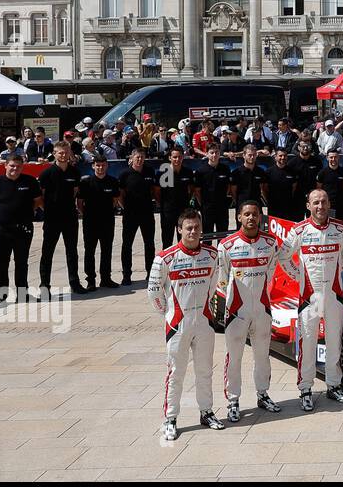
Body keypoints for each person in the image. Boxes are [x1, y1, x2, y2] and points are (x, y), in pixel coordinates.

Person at [149, 208, 225, 439]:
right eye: (188, 228)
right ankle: (170, 418)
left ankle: (207, 412)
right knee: (176, 373)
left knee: (204, 371)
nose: (193, 232)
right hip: (177, 325)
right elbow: (153, 292)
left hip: (203, 322)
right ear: (179, 229)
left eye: (197, 228)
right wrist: (169, 315)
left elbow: (214, 285)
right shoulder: (165, 258)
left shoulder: (212, 256)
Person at [216, 201, 292, 421]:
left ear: (260, 217)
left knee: (262, 356)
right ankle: (233, 400)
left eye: (255, 214)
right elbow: (221, 280)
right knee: (234, 358)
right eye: (246, 214)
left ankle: (263, 394)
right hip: (236, 313)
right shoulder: (226, 245)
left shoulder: (270, 243)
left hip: (262, 310)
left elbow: (272, 270)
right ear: (239, 216)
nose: (251, 218)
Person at [283, 189, 343, 409]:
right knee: (308, 340)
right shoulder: (299, 230)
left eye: (323, 202)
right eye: (316, 203)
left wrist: (333, 277)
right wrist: (299, 276)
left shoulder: (340, 228)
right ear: (308, 206)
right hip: (310, 298)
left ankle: (333, 386)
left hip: (334, 295)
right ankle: (305, 388)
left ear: (329, 203)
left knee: (334, 341)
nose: (320, 207)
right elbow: (283, 257)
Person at [0, 155, 42, 306]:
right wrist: (2, 217)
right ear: (5, 166)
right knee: (1, 263)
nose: (14, 169)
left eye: (18, 166)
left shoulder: (29, 182)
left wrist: (24, 215)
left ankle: (22, 295)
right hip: (1, 229)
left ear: (22, 167)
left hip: (23, 229)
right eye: (12, 165)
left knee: (22, 262)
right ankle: (1, 297)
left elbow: (37, 201)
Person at [38, 141, 83, 296]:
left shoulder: (75, 172)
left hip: (70, 217)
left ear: (70, 152)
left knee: (72, 252)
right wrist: (50, 211)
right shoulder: (47, 173)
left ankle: (75, 283)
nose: (63, 155)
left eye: (66, 152)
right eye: (60, 152)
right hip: (52, 219)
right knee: (47, 253)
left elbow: (75, 192)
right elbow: (40, 197)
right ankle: (44, 286)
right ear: (54, 153)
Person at [78, 156, 121, 289]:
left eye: (103, 165)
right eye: (98, 165)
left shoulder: (112, 181)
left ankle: (106, 278)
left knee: (106, 250)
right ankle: (91, 280)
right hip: (90, 222)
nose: (100, 168)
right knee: (89, 251)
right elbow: (79, 203)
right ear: (93, 166)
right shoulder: (86, 182)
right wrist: (86, 215)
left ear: (107, 166)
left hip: (107, 222)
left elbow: (115, 200)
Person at [118, 148, 157, 284]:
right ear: (132, 158)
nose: (139, 159)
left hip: (147, 213)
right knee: (127, 245)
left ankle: (150, 272)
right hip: (130, 214)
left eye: (142, 157)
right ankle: (126, 275)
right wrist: (125, 208)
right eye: (137, 157)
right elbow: (120, 194)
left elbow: (153, 191)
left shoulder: (149, 171)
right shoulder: (124, 174)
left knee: (149, 244)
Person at [156, 147, 195, 245]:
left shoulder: (188, 172)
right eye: (174, 157)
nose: (177, 159)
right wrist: (163, 204)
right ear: (170, 158)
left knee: (184, 240)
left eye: (180, 157)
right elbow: (157, 191)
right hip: (167, 212)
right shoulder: (163, 173)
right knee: (167, 240)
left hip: (183, 211)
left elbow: (191, 189)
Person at [195, 144, 233, 234]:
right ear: (207, 154)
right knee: (207, 235)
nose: (214, 155)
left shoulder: (225, 169)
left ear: (220, 154)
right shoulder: (200, 171)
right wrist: (204, 204)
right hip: (207, 208)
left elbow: (228, 187)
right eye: (211, 153)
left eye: (216, 152)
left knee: (223, 234)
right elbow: (197, 191)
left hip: (222, 207)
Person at [315, 148, 343, 219]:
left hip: (340, 204)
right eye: (331, 157)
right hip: (327, 205)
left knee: (339, 226)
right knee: (328, 225)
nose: (333, 159)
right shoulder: (322, 173)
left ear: (338, 157)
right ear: (327, 158)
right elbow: (319, 189)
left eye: (335, 157)